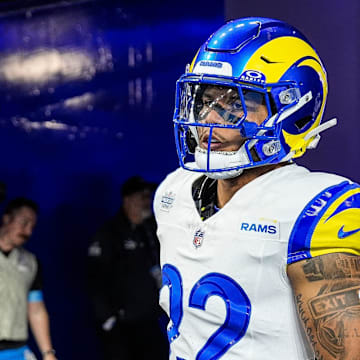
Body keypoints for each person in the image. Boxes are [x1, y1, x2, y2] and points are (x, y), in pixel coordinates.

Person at [153, 17, 360, 360]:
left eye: (234, 104)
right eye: (205, 100)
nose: (208, 119)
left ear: (295, 111)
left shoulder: (315, 211)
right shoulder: (172, 193)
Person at [87, 176, 168, 360]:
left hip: (149, 320)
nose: (147, 202)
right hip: (122, 325)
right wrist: (108, 320)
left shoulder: (151, 230)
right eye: (143, 197)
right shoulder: (109, 233)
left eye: (149, 197)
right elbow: (95, 280)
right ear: (128, 200)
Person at [0, 197, 57, 360]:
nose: (28, 231)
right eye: (24, 222)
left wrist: (48, 354)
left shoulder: (30, 263)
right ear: (7, 218)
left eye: (32, 226)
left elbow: (36, 310)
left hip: (17, 350)